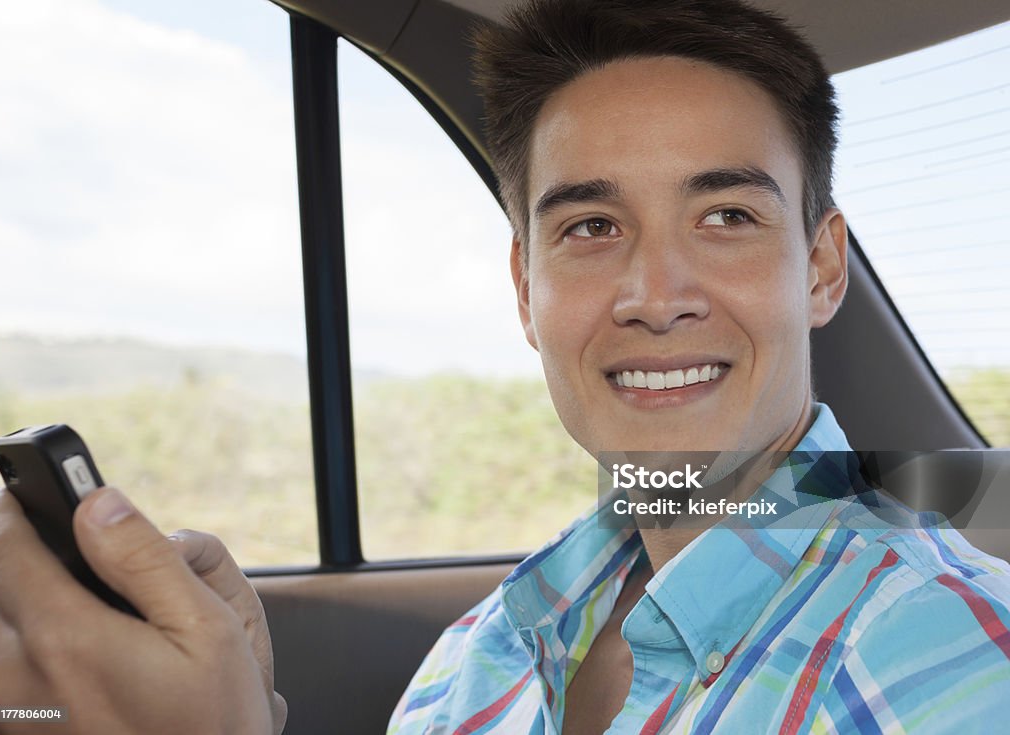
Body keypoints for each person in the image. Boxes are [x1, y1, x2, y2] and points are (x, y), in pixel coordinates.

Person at [384, 0, 1010, 733]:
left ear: (819, 267)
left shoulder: (958, 665)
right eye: (592, 227)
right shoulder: (475, 654)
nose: (656, 297)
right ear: (526, 291)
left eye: (726, 217)